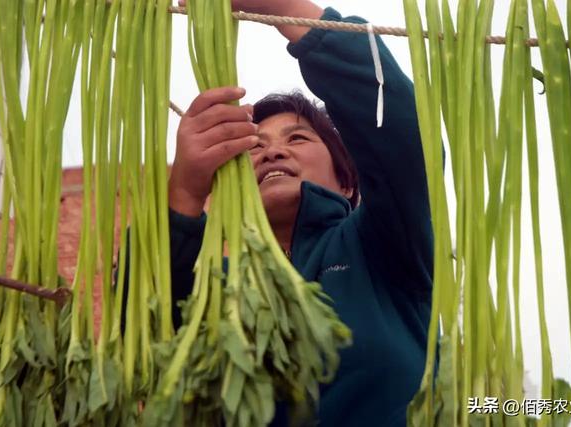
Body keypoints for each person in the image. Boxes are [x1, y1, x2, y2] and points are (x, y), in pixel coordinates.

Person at [166, 0, 434, 425]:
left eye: (298, 139)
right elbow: (145, 336)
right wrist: (182, 193)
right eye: (254, 146)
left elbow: (397, 133)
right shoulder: (214, 286)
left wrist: (287, 7)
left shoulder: (382, 244)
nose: (271, 149)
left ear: (348, 182)